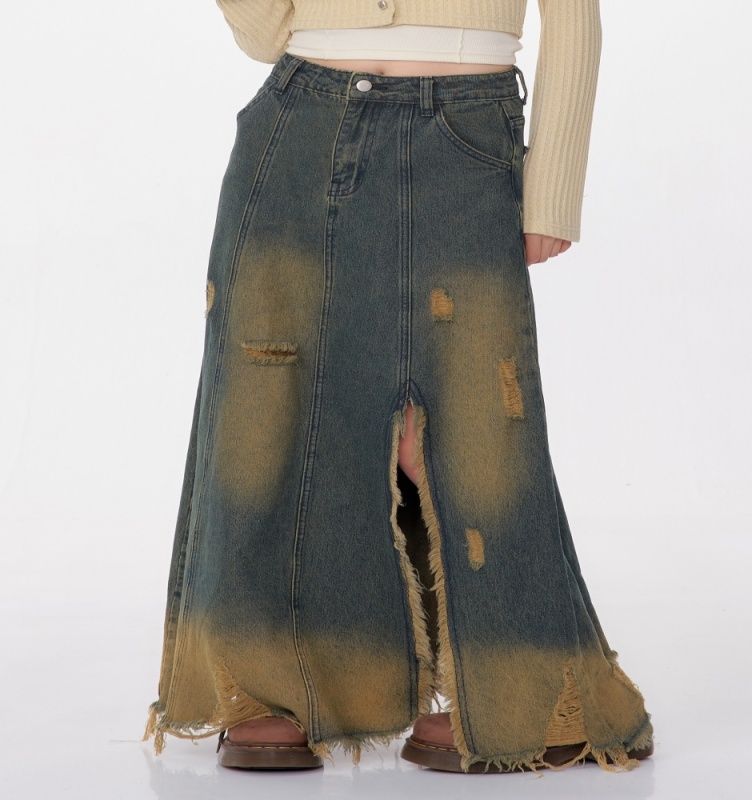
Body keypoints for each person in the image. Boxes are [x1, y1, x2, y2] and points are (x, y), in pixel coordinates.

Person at [143, 0, 655, 775]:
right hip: (301, 125)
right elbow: (262, 35)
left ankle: (526, 689)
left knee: (469, 428)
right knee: (272, 414)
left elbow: (574, 15)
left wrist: (551, 187)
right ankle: (275, 690)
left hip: (466, 134)